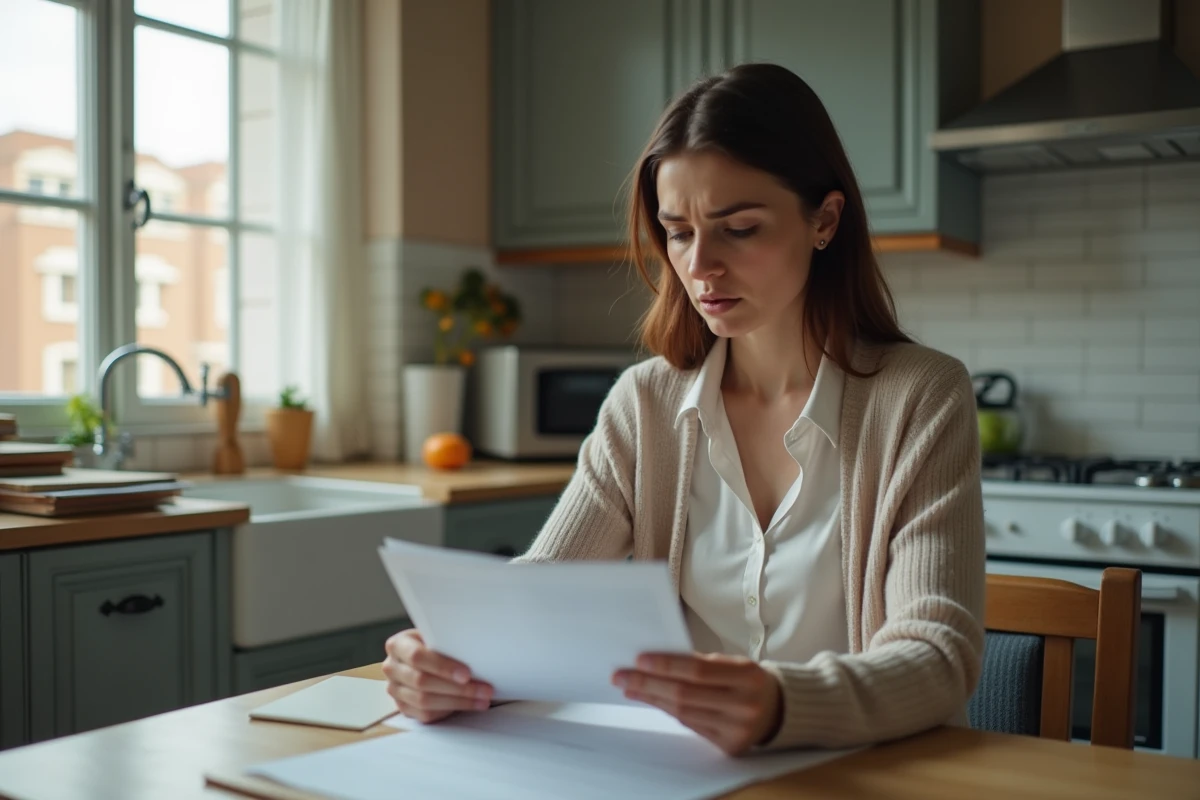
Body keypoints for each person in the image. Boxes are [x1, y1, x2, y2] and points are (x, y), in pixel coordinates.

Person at [383, 62, 985, 756]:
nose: (700, 266)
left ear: (824, 219)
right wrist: (447, 656)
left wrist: (782, 706)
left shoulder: (922, 397)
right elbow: (545, 593)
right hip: (686, 776)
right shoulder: (645, 404)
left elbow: (939, 653)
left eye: (740, 228)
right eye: (677, 231)